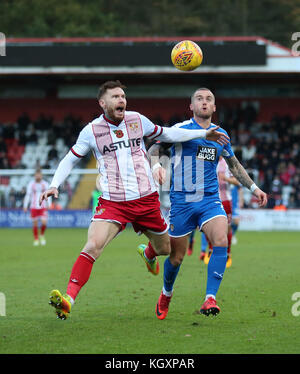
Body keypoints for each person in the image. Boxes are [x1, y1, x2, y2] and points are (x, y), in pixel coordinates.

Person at [39, 80, 230, 320]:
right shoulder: (91, 131)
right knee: (92, 246)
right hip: (113, 202)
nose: (121, 100)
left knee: (165, 249)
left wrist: (204, 133)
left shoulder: (137, 120)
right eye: (115, 97)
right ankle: (68, 299)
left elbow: (168, 133)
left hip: (146, 200)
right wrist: (54, 185)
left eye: (123, 96)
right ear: (102, 103)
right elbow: (69, 159)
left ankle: (148, 253)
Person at [147, 87, 268, 319]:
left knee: (221, 238)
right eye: (199, 99)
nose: (204, 102)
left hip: (210, 200)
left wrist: (254, 188)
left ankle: (210, 298)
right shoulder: (180, 129)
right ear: (191, 106)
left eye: (209, 99)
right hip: (182, 201)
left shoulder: (221, 135)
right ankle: (166, 293)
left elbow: (233, 165)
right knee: (176, 257)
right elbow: (154, 147)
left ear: (214, 107)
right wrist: (156, 166)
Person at [203, 156, 241, 268]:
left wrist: (225, 178)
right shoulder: (207, 160)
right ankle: (210, 250)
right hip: (210, 199)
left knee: (227, 228)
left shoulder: (227, 163)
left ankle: (228, 254)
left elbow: (237, 181)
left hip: (225, 200)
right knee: (207, 226)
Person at [23, 169, 50, 246]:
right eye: (36, 175)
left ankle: (41, 235)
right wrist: (25, 205)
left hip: (43, 206)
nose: (38, 176)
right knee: (35, 224)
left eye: (39, 175)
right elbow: (28, 195)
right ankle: (36, 239)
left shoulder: (45, 184)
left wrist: (49, 204)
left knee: (44, 222)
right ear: (35, 176)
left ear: (41, 175)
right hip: (33, 207)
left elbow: (48, 195)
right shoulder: (31, 184)